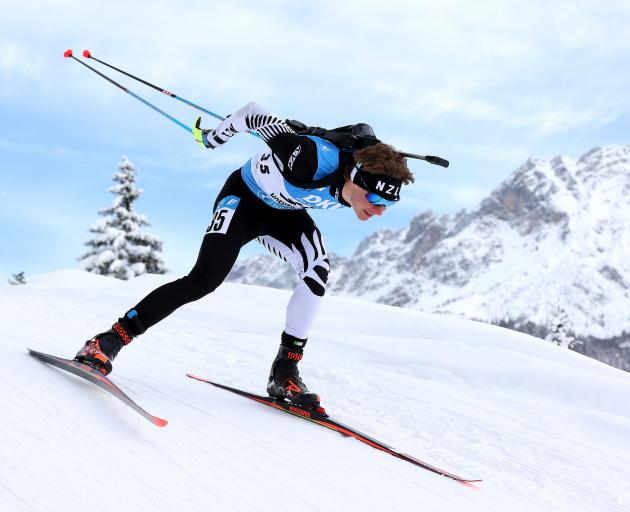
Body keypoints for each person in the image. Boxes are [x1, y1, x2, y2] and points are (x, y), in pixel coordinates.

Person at [74, 102, 415, 413]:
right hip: (244, 199)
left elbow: (366, 142)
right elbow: (253, 114)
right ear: (354, 179)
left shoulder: (364, 174)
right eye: (374, 198)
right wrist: (212, 138)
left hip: (284, 212)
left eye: (389, 204)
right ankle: (108, 340)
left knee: (318, 271)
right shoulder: (308, 157)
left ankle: (285, 372)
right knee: (203, 280)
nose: (379, 210)